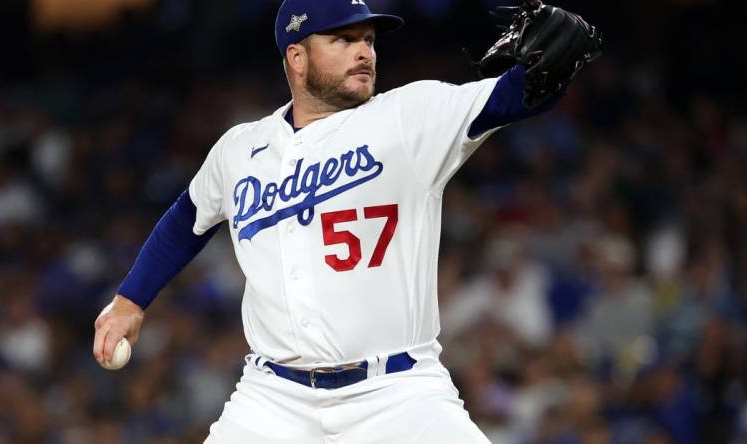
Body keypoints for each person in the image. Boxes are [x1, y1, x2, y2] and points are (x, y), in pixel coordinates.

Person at [92, 0, 601, 442]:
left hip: (398, 393)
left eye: (369, 39)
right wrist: (130, 300)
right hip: (274, 399)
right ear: (296, 57)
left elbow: (513, 98)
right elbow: (187, 217)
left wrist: (549, 70)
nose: (365, 52)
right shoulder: (240, 149)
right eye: (343, 39)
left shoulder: (409, 117)